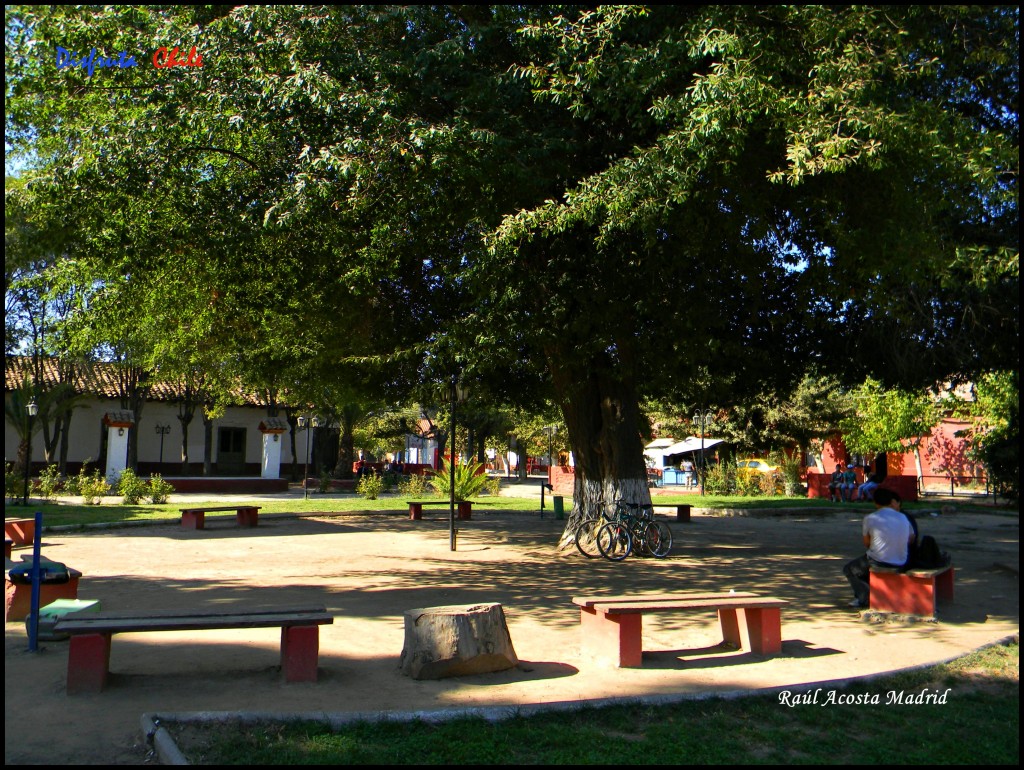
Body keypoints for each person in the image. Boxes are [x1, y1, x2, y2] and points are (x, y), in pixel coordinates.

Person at [842, 488, 914, 608]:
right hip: (901, 559)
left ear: (875, 502)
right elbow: (911, 538)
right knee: (863, 565)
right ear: (891, 501)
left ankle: (864, 597)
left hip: (879, 560)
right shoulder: (903, 517)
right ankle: (870, 594)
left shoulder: (870, 518)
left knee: (849, 569)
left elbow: (866, 543)